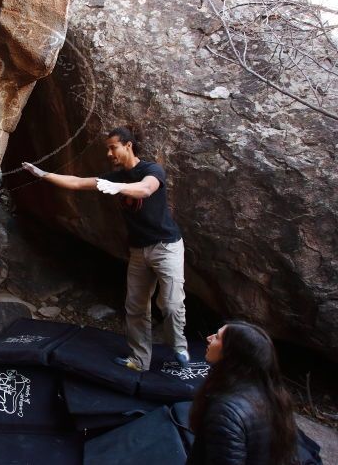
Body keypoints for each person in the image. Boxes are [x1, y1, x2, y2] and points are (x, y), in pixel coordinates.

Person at [22, 127, 188, 371]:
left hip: (166, 247)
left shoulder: (152, 170)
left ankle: (180, 347)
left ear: (128, 145)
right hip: (139, 250)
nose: (109, 153)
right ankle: (140, 360)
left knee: (171, 304)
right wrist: (43, 174)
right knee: (136, 307)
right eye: (108, 148)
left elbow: (145, 189)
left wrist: (120, 189)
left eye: (113, 147)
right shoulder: (117, 177)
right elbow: (78, 183)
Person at [188, 321, 297, 465]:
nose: (209, 338)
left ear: (232, 353)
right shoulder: (273, 395)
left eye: (217, 337)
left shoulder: (224, 413)